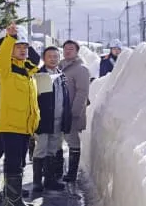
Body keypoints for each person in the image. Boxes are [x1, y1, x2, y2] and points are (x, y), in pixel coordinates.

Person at [0, 23, 40, 206]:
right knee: (14, 163)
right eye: (18, 47)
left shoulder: (27, 72)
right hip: (11, 125)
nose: (23, 50)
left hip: (25, 126)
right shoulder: (6, 70)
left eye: (25, 47)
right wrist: (10, 38)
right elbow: (2, 56)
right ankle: (13, 201)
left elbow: (36, 59)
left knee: (19, 163)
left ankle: (12, 198)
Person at [32, 46, 72, 192]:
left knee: (53, 149)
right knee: (41, 148)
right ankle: (37, 181)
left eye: (56, 56)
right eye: (50, 56)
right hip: (43, 119)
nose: (53, 59)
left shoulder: (61, 75)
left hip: (58, 119)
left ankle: (50, 180)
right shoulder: (38, 74)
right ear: (44, 58)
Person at [58, 40, 90, 183]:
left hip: (71, 113)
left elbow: (82, 93)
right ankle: (57, 171)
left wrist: (74, 113)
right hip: (59, 112)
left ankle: (72, 173)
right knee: (58, 141)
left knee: (73, 142)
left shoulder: (81, 69)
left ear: (77, 51)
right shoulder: (61, 66)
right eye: (65, 49)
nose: (67, 51)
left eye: (71, 49)